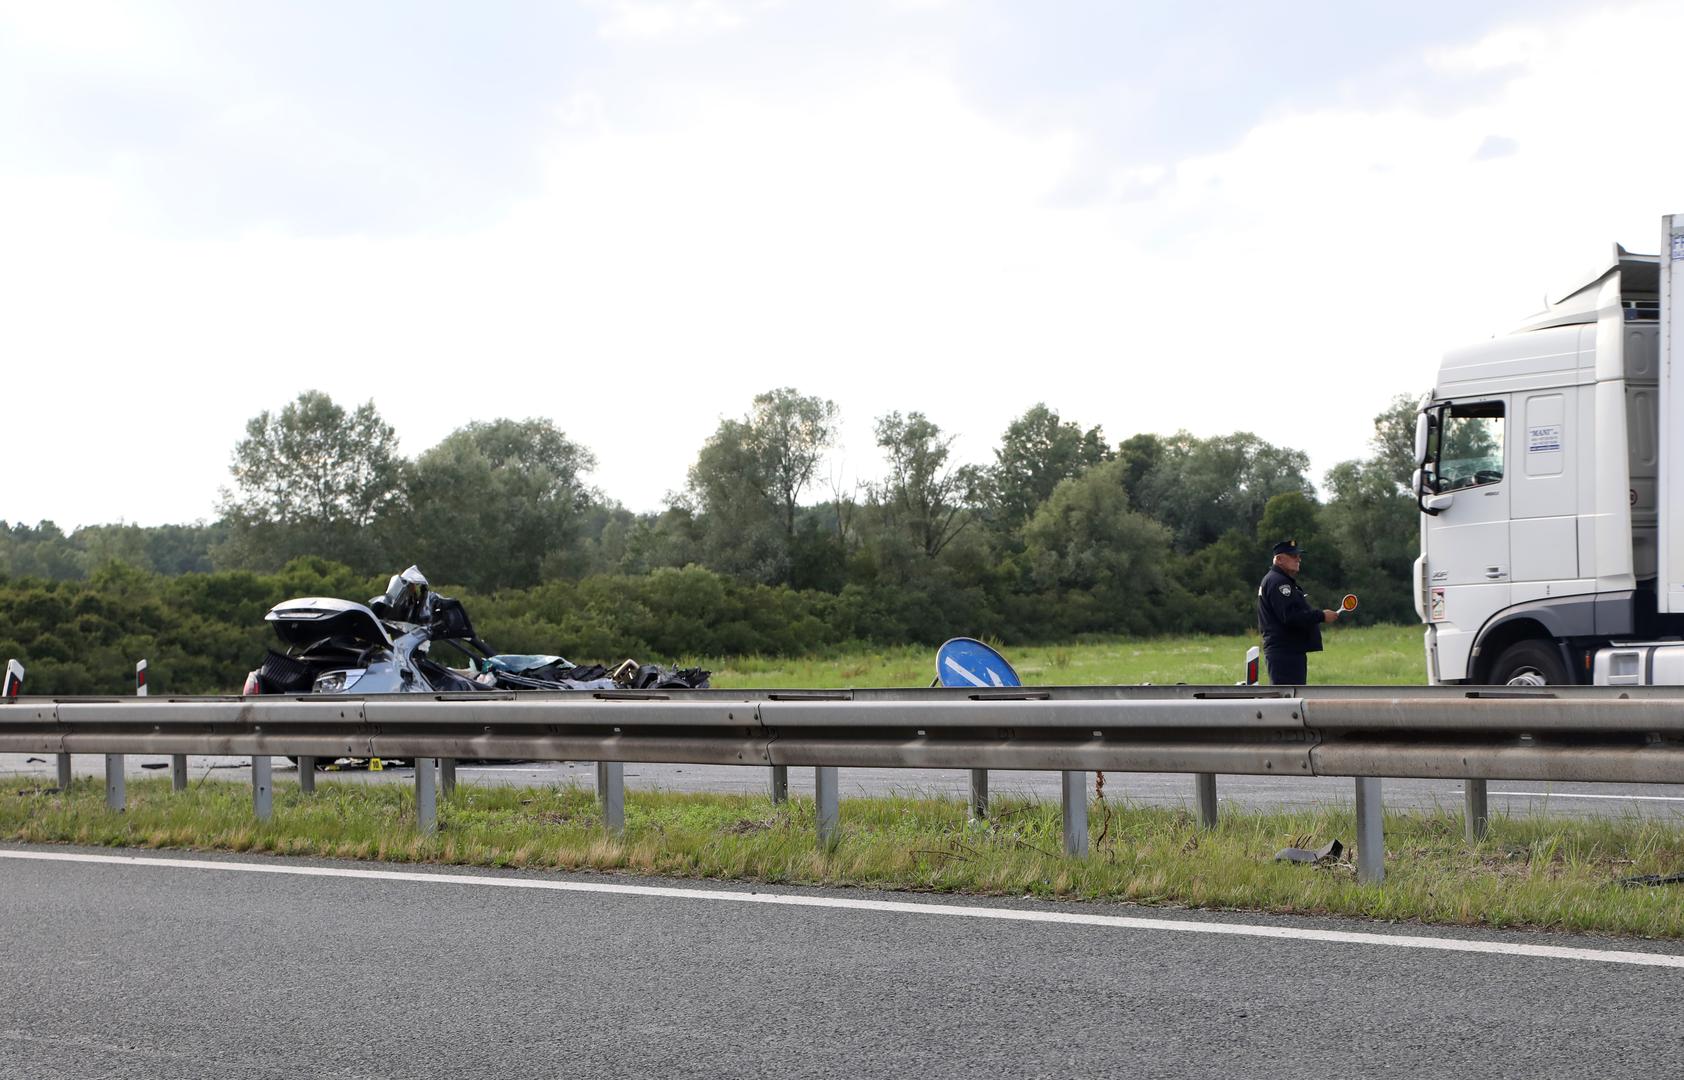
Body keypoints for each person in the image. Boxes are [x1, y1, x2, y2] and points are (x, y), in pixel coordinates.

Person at [1256, 540, 1339, 685]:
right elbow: (1290, 616)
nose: (1298, 559)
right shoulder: (1280, 583)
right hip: (1285, 652)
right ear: (1279, 559)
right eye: (1293, 556)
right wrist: (1322, 615)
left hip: (1287, 650)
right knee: (1287, 700)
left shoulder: (1276, 580)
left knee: (1290, 698)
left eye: (1299, 556)